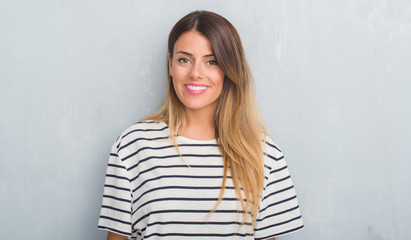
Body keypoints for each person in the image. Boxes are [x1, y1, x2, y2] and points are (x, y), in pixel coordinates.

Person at [97, 10, 303, 240]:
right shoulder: (132, 146)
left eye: (212, 61)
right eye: (184, 60)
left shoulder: (264, 154)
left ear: (229, 69)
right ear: (170, 65)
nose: (196, 73)